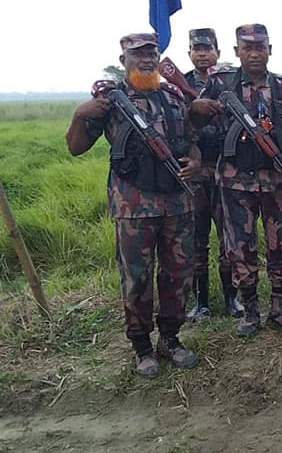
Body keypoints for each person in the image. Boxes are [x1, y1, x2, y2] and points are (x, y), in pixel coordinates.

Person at [65, 32, 200, 378]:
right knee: (136, 278)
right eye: (137, 55)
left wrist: (196, 162)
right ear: (123, 59)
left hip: (177, 201)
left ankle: (170, 338)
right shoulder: (110, 102)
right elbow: (75, 148)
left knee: (179, 274)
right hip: (133, 206)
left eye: (151, 54)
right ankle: (141, 347)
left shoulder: (172, 97)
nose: (146, 60)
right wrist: (81, 115)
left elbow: (191, 141)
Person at [190, 24, 282, 338]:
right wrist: (198, 110)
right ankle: (250, 310)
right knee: (240, 247)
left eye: (260, 47)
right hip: (234, 181)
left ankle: (279, 309)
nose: (254, 53)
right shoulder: (220, 83)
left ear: (270, 49)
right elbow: (194, 122)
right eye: (248, 48)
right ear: (236, 51)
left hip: (276, 179)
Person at [181, 28, 243, 321]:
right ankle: (201, 301)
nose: (202, 53)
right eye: (196, 48)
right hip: (195, 173)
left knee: (229, 237)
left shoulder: (229, 81)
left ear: (218, 52)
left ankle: (232, 298)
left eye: (207, 48)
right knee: (197, 238)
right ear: (189, 53)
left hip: (225, 169)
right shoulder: (177, 85)